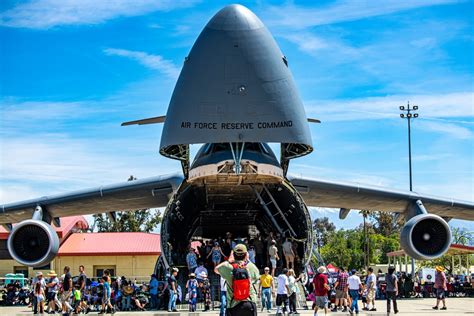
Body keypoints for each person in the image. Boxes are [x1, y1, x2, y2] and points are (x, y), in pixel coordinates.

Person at [216, 244, 260, 316]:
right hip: (249, 303)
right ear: (246, 255)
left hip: (233, 305)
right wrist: (248, 259)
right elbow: (256, 277)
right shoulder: (251, 267)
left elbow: (216, 269)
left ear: (233, 254)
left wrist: (229, 260)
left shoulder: (227, 267)